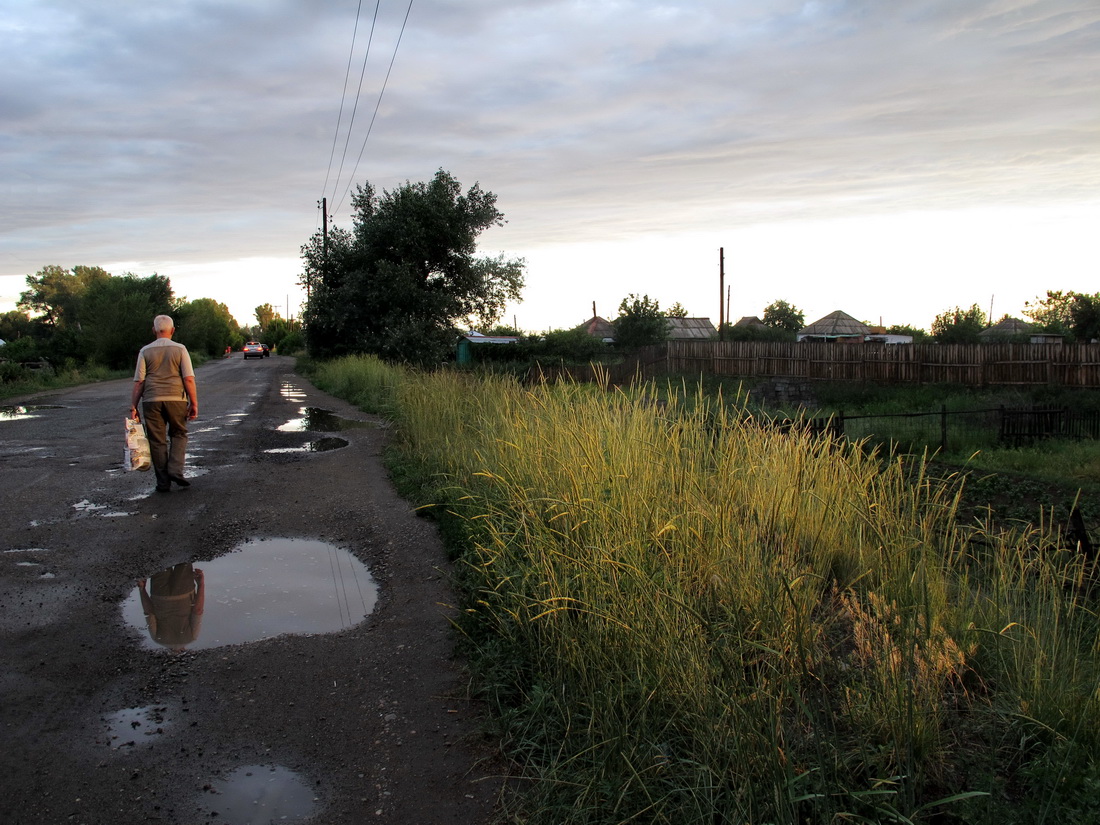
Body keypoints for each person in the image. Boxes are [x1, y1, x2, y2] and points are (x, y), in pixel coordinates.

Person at [130, 315, 199, 492]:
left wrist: (134, 406)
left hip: (151, 400)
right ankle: (175, 470)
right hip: (176, 399)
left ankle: (163, 483)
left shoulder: (145, 351)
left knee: (157, 440)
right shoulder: (180, 349)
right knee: (179, 433)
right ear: (172, 330)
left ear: (154, 330)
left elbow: (139, 381)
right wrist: (194, 403)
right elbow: (188, 378)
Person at [137, 563, 205, 651]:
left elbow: (198, 610)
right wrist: (142, 589)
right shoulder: (158, 639)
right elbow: (149, 612)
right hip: (160, 596)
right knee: (159, 561)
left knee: (183, 560)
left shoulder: (192, 637)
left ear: (184, 651)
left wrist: (201, 584)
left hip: (184, 593)